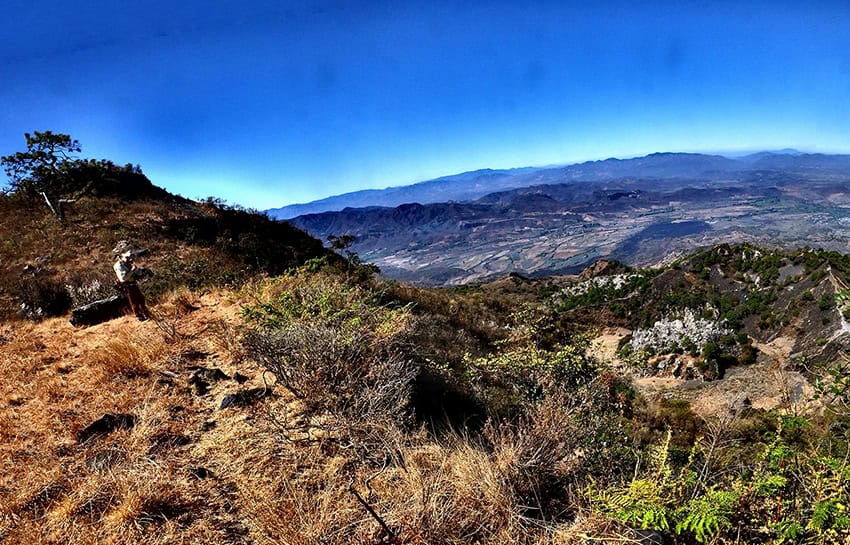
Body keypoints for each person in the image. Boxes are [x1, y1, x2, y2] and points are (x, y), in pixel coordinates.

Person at [113, 247, 150, 321]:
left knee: (141, 299)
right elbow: (123, 278)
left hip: (133, 283)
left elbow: (135, 272)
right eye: (128, 258)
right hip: (127, 285)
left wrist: (143, 272)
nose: (130, 260)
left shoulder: (128, 263)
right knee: (134, 301)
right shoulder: (119, 265)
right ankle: (139, 316)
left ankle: (146, 313)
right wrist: (132, 271)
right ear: (122, 257)